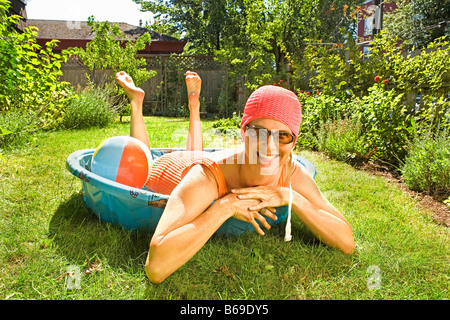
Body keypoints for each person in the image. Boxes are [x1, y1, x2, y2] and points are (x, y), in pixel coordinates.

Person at [115, 71, 355, 284]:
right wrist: (226, 205)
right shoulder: (208, 175)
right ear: (244, 133)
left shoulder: (289, 170)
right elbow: (156, 268)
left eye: (283, 136)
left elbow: (346, 241)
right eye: (260, 132)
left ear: (294, 141)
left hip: (199, 158)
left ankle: (193, 106)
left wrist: (291, 196)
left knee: (194, 150)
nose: (270, 146)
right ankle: (137, 104)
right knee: (141, 159)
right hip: (166, 171)